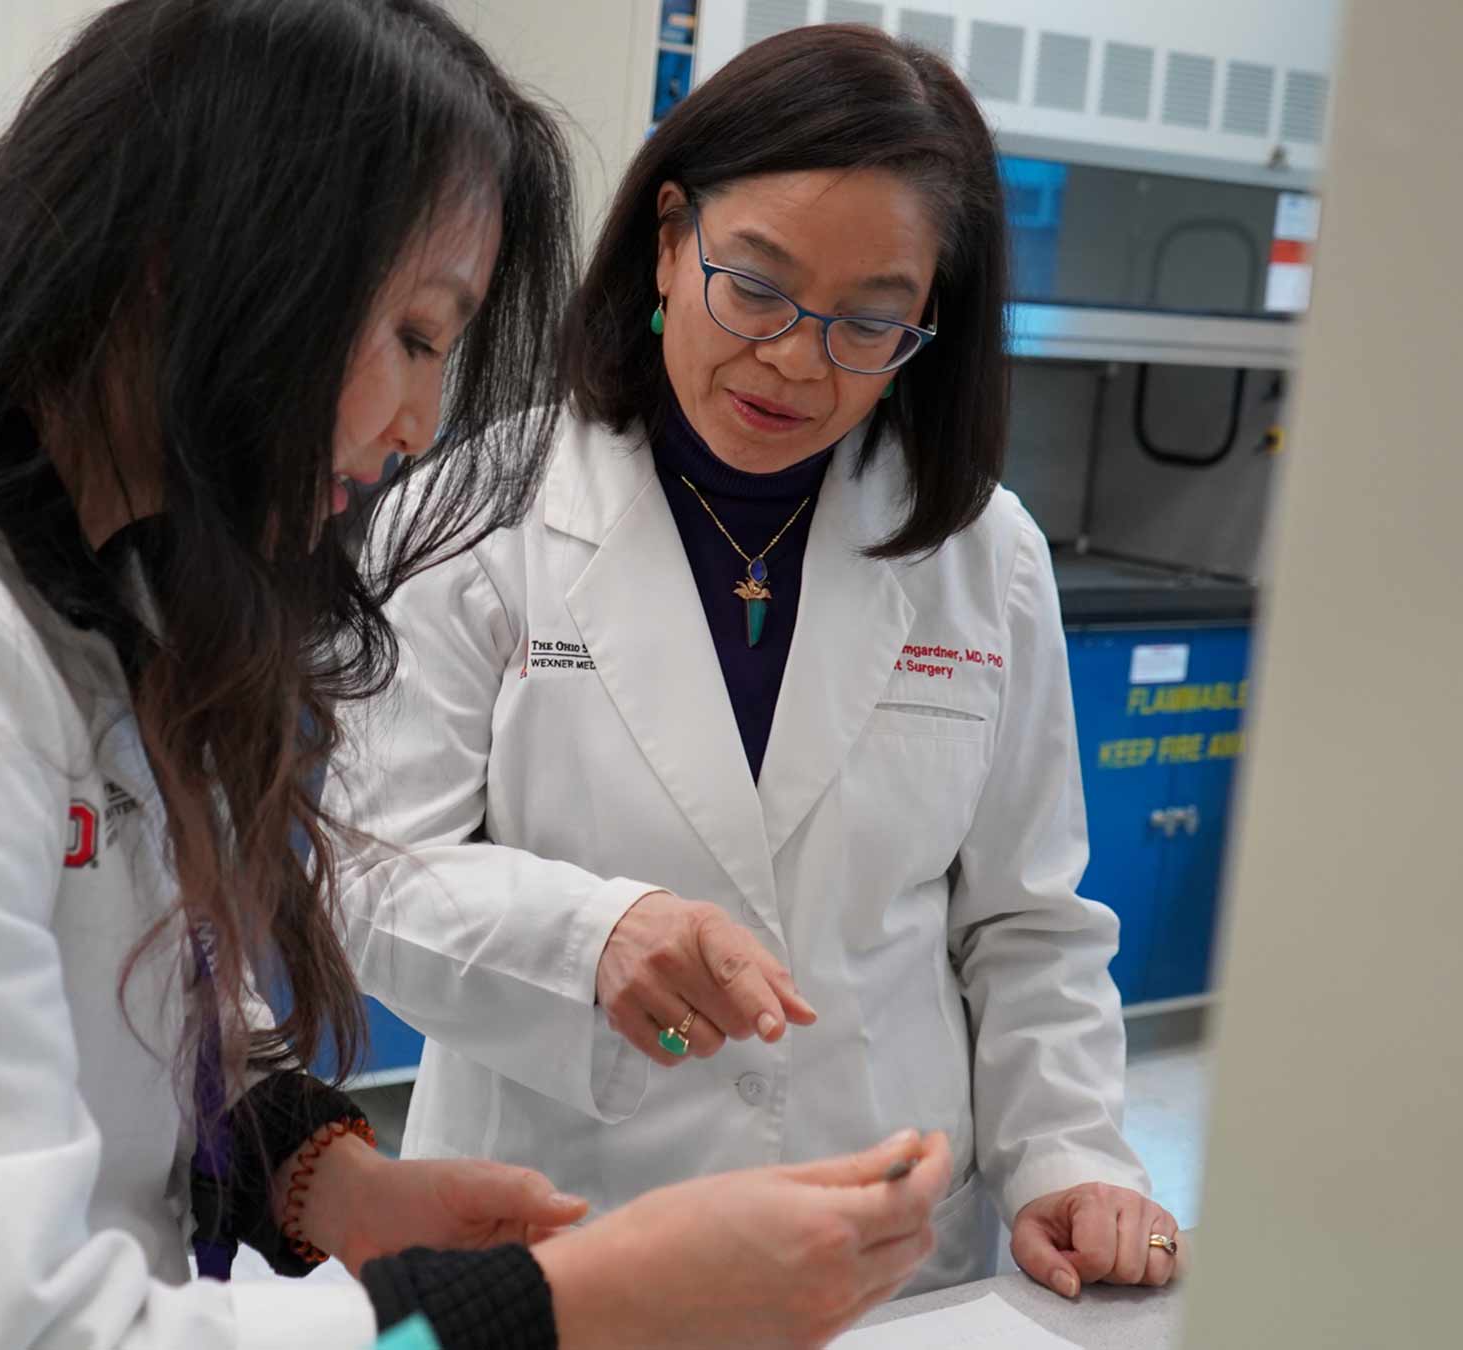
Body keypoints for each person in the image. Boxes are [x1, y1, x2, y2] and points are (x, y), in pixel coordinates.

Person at [0, 4, 952, 1348]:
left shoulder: (96, 594)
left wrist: (323, 1176)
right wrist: (584, 1307)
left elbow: (110, 1014)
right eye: (416, 332)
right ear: (208, 270)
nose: (425, 420)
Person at [331, 23, 1179, 1304]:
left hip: (891, 1252)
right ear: (670, 240)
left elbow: (1026, 925)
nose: (795, 357)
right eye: (759, 287)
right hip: (571, 1236)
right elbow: (373, 882)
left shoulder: (980, 549)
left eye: (868, 324)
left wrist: (1068, 1152)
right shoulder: (477, 515)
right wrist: (593, 937)